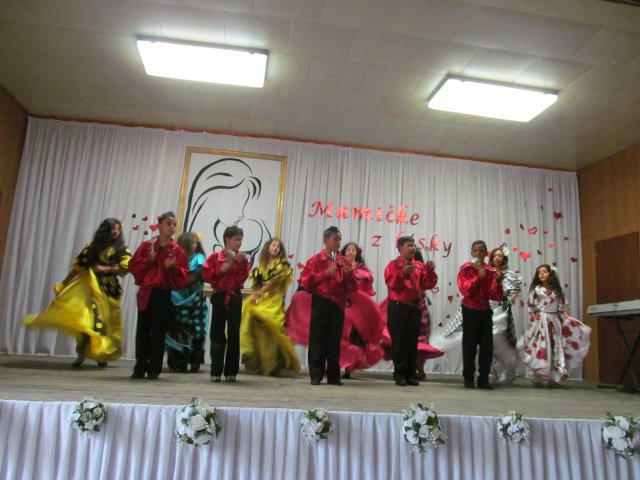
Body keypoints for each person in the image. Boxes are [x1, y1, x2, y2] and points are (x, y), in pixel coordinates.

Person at [23, 218, 131, 367]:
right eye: (114, 228)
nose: (116, 232)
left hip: (109, 290)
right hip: (89, 289)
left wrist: (106, 268)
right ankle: (81, 353)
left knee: (105, 323)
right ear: (105, 230)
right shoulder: (92, 248)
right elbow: (78, 268)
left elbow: (125, 268)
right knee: (86, 322)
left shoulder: (121, 249)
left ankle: (101, 354)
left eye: (118, 229)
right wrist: (65, 283)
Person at [129, 212, 189, 380]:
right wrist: (148, 260)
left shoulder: (177, 251)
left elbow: (183, 277)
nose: (172, 227)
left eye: (174, 224)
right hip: (147, 292)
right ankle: (140, 366)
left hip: (163, 293)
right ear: (160, 225)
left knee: (159, 332)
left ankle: (154, 368)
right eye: (168, 223)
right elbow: (133, 267)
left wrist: (174, 268)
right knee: (143, 330)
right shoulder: (147, 246)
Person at [301, 226, 357, 386]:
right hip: (321, 300)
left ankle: (334, 376)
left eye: (340, 240)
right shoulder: (315, 260)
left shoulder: (344, 261)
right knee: (317, 338)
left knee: (334, 340)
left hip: (338, 303)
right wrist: (326, 274)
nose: (338, 243)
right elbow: (306, 283)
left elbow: (352, 288)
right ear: (326, 240)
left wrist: (349, 276)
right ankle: (316, 375)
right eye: (335, 239)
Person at [521, 264, 591, 387]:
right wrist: (535, 320)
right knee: (542, 346)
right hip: (542, 320)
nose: (542, 274)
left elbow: (561, 308)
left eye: (544, 272)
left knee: (555, 346)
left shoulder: (557, 291)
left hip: (554, 320)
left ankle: (553, 378)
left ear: (550, 273)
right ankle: (539, 376)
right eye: (539, 272)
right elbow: (531, 308)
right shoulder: (537, 290)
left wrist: (569, 319)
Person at [240, 238, 300, 376]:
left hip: (273, 301)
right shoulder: (260, 266)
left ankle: (274, 363)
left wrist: (259, 293)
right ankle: (259, 361)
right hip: (261, 299)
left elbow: (272, 283)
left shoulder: (281, 265)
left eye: (278, 246)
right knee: (253, 323)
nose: (275, 248)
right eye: (273, 245)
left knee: (270, 326)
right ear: (268, 247)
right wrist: (257, 295)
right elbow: (257, 285)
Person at [384, 236, 438, 387]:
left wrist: (430, 271)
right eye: (409, 245)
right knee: (399, 342)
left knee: (412, 343)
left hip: (414, 308)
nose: (413, 248)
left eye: (414, 245)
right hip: (398, 307)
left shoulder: (419, 266)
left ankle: (411, 374)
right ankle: (400, 374)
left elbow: (428, 284)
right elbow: (392, 284)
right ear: (400, 248)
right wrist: (403, 273)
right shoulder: (393, 265)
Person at [203, 225, 250, 383]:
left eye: (241, 240)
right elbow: (207, 276)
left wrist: (241, 264)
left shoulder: (241, 258)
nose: (239, 243)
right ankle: (215, 370)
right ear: (227, 240)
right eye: (237, 240)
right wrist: (222, 270)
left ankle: (231, 372)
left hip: (235, 296)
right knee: (217, 332)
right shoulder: (215, 257)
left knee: (234, 333)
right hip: (219, 295)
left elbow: (242, 279)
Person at [458, 240, 503, 390]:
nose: (478, 253)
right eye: (475, 251)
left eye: (481, 250)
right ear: (472, 252)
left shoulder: (490, 271)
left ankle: (483, 379)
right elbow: (464, 289)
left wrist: (497, 282)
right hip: (469, 309)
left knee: (486, 347)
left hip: (484, 310)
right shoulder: (466, 269)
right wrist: (478, 277)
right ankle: (468, 378)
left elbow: (495, 295)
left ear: (486, 253)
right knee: (469, 346)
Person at [339, 242, 384, 379]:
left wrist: (353, 273)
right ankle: (335, 365)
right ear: (344, 252)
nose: (351, 252)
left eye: (353, 250)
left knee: (354, 338)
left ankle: (349, 367)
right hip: (342, 307)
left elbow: (367, 278)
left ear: (357, 253)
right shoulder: (339, 266)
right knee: (341, 337)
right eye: (348, 250)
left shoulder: (362, 269)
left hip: (357, 309)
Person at [165, 232, 209, 373]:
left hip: (195, 300)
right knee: (177, 331)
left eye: (196, 242)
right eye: (192, 242)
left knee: (197, 332)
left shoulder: (199, 258)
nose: (195, 245)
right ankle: (177, 362)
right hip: (176, 299)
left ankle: (195, 360)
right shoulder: (176, 258)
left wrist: (181, 278)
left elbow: (194, 274)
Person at [488, 245, 523, 385]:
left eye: (500, 255)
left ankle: (508, 372)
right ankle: (490, 372)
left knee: (503, 339)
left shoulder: (509, 273)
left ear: (504, 258)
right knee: (488, 340)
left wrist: (512, 298)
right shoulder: (488, 271)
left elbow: (515, 289)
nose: (497, 258)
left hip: (502, 307)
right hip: (487, 307)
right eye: (495, 255)